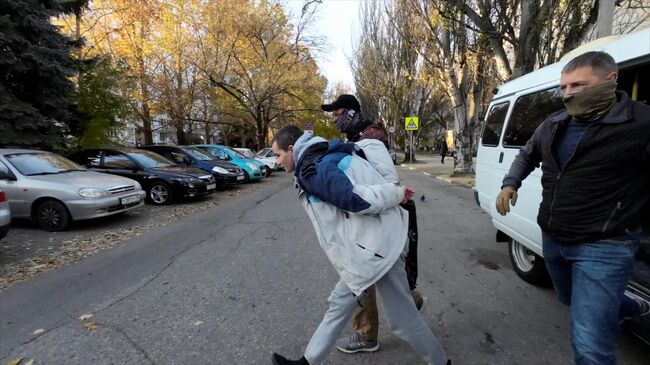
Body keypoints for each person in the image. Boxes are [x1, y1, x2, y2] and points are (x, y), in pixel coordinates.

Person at [495, 51, 650, 365]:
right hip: (553, 236)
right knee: (569, 297)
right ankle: (628, 305)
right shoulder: (554, 122)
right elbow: (527, 154)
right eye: (563, 87)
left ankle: (609, 305)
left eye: (578, 85)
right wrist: (511, 183)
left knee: (590, 345)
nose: (567, 94)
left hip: (604, 242)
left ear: (610, 80)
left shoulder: (641, 122)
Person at [270, 126, 449, 365]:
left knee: (403, 320)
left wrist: (395, 194)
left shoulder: (315, 168)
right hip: (368, 249)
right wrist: (395, 193)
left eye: (278, 154)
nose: (276, 161)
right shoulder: (322, 156)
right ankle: (307, 362)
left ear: (292, 148)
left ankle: (441, 362)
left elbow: (356, 198)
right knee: (339, 303)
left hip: (377, 250)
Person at [321, 94, 425, 354]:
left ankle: (367, 335)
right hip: (371, 214)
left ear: (353, 113)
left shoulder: (371, 137)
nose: (335, 119)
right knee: (385, 274)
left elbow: (386, 181)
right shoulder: (356, 138)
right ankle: (410, 303)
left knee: (362, 274)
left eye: (338, 113)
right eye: (332, 114)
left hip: (381, 214)